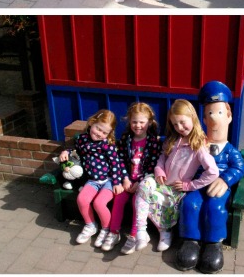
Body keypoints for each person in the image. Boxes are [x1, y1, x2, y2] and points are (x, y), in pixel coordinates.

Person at [129, 99, 219, 254]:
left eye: (183, 122)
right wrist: (159, 170)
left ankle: (165, 232)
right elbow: (163, 157)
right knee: (143, 186)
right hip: (160, 181)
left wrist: (189, 186)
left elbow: (213, 172)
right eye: (175, 124)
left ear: (193, 118)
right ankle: (141, 231)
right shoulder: (174, 139)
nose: (180, 128)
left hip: (175, 190)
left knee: (165, 207)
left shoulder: (198, 145)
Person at [176, 81, 244, 273]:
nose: (214, 117)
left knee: (214, 206)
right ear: (204, 120)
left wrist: (225, 179)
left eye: (219, 112)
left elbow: (239, 167)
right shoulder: (198, 145)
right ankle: (190, 240)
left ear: (229, 116)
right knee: (190, 204)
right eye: (209, 114)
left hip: (218, 187)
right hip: (199, 183)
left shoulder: (230, 151)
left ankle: (213, 244)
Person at [58, 109, 126, 246]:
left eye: (104, 132)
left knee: (99, 203)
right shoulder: (83, 139)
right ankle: (91, 225)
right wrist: (66, 151)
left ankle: (106, 229)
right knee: (82, 199)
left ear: (109, 133)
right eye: (98, 129)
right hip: (92, 180)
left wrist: (117, 183)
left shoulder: (108, 145)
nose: (99, 134)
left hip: (108, 181)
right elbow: (76, 151)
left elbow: (115, 164)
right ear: (92, 123)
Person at [102, 103, 163, 253]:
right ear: (129, 121)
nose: (138, 125)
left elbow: (152, 165)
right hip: (127, 180)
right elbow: (120, 161)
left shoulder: (153, 142)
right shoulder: (126, 139)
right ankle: (114, 232)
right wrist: (125, 179)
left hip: (142, 182)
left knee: (138, 202)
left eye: (142, 122)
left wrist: (139, 181)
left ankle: (134, 235)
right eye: (134, 121)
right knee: (119, 198)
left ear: (149, 122)